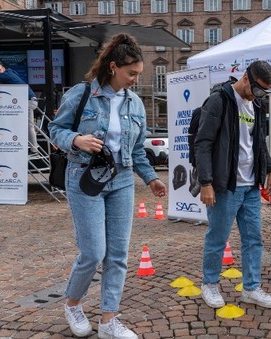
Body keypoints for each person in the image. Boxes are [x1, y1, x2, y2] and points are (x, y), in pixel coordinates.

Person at [49, 33, 167, 339]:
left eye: (139, 75)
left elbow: (138, 150)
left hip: (122, 181)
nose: (135, 81)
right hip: (84, 178)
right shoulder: (81, 94)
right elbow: (55, 129)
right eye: (132, 74)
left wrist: (151, 177)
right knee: (93, 252)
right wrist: (76, 139)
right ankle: (73, 304)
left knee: (117, 255)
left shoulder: (136, 104)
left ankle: (108, 320)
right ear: (113, 67)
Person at [195, 60, 271, 309]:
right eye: (259, 89)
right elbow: (203, 143)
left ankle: (251, 288)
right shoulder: (219, 101)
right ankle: (209, 284)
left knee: (254, 239)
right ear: (246, 78)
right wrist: (206, 182)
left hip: (251, 184)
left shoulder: (257, 105)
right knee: (218, 238)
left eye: (265, 91)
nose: (260, 95)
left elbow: (260, 142)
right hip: (225, 185)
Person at [0, 62, 39, 154]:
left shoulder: (7, 75)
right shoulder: (9, 74)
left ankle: (34, 149)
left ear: (4, 68)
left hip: (28, 101)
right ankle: (24, 145)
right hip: (25, 101)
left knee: (28, 126)